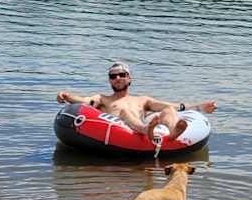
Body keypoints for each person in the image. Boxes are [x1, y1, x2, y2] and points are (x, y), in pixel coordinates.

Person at [56, 61, 217, 144]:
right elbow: (84, 101)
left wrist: (200, 107)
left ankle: (174, 132)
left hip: (143, 129)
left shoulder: (142, 100)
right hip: (121, 128)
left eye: (121, 74)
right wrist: (67, 96)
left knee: (167, 109)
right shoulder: (103, 99)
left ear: (129, 78)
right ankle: (146, 129)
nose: (117, 78)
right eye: (113, 76)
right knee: (125, 112)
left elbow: (173, 106)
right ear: (110, 81)